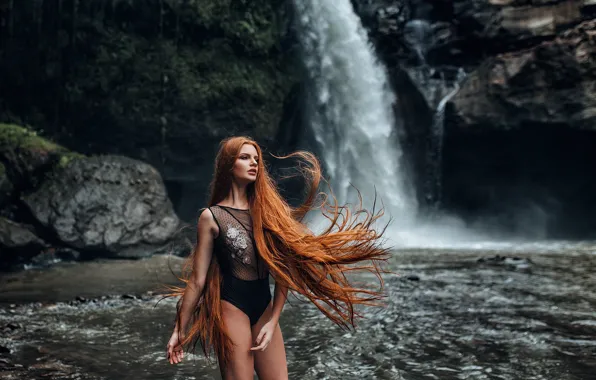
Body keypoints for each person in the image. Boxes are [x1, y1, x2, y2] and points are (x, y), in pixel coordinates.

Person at [162, 136, 391, 380]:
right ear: (229, 165)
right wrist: (180, 330)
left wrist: (273, 321)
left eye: (257, 159)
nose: (254, 164)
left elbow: (286, 268)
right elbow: (198, 282)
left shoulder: (269, 212)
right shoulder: (211, 217)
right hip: (230, 307)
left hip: (264, 308)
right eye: (244, 157)